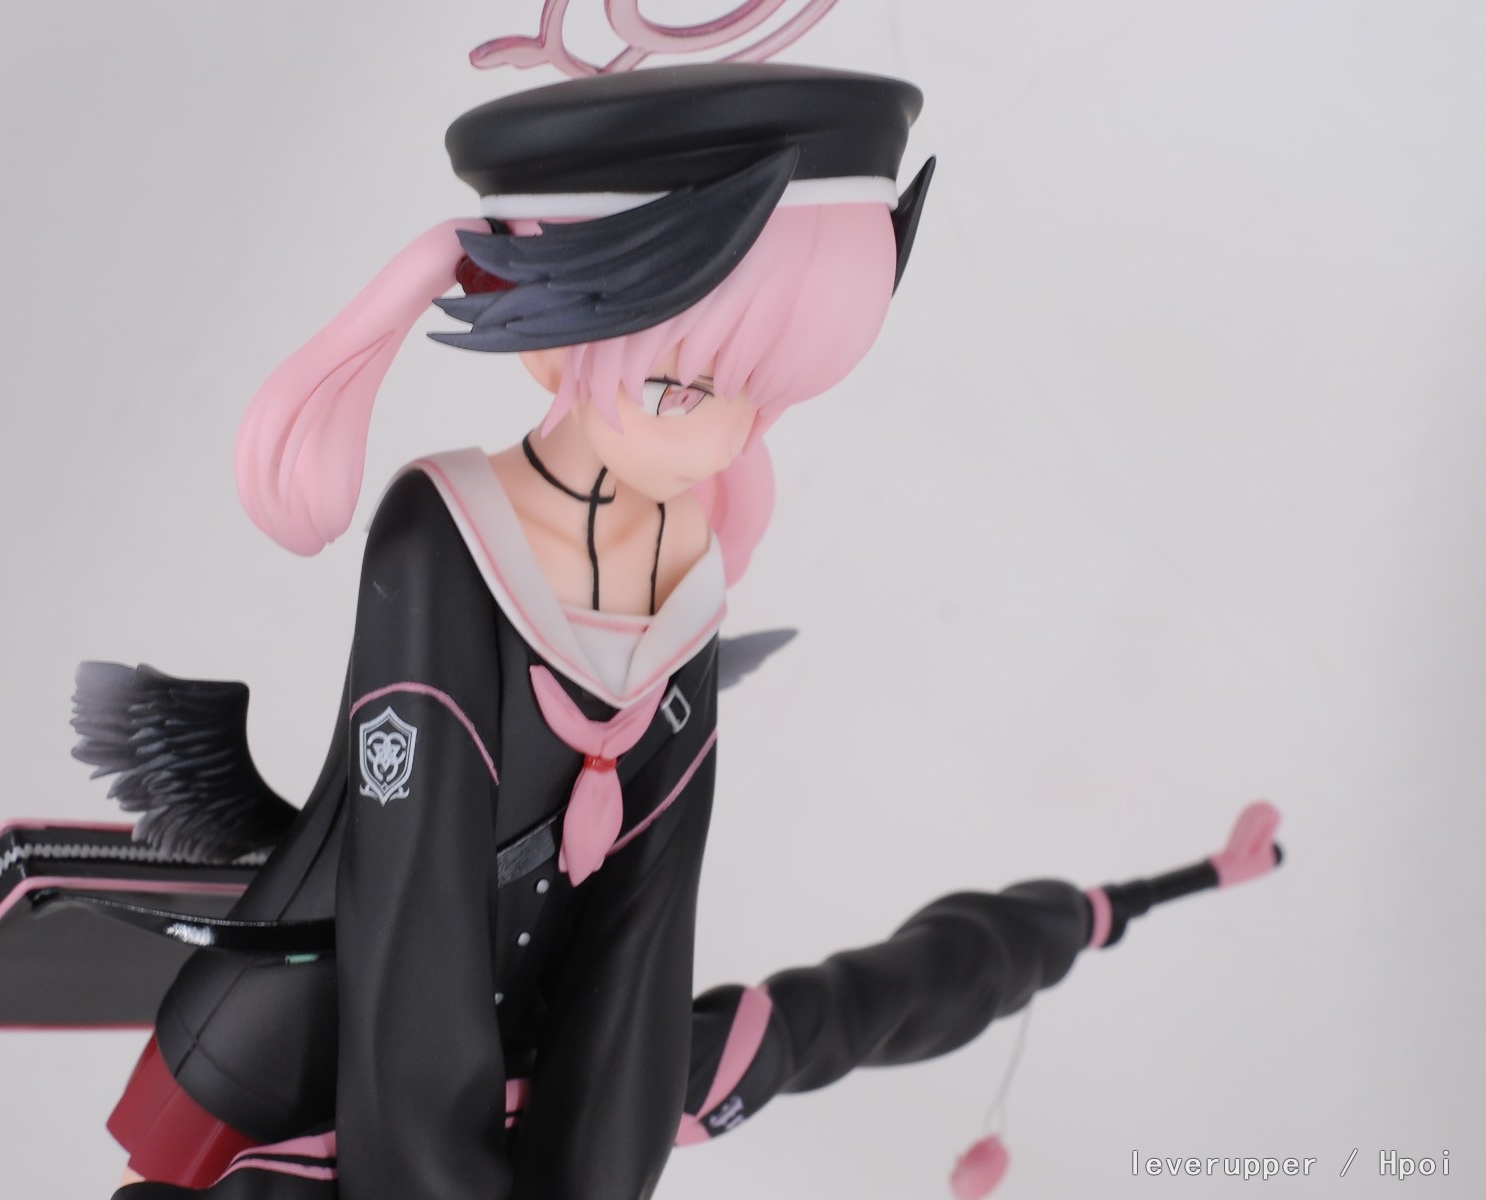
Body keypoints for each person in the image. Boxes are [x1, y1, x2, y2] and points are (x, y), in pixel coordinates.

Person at [80, 63, 1280, 1200]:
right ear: (552, 335)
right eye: (688, 388)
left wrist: (595, 1162)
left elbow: (648, 912)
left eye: (762, 394)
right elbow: (415, 905)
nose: (723, 438)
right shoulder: (441, 537)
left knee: (828, 1018)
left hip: (542, 1047)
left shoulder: (685, 569)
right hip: (307, 1062)